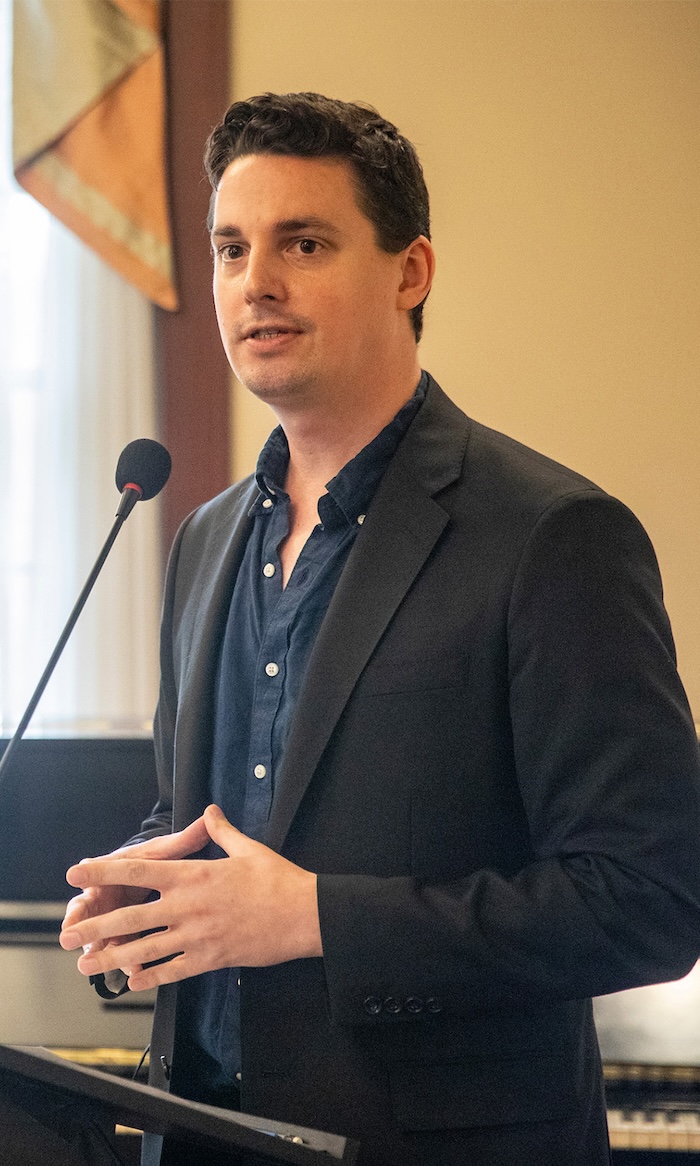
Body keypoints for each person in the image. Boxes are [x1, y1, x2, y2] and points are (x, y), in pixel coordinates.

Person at [60, 93, 700, 1166]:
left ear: (411, 272)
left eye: (301, 242)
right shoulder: (202, 538)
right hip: (199, 1132)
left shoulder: (552, 535)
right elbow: (206, 812)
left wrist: (317, 916)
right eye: (230, 247)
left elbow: (654, 896)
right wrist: (144, 888)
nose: (253, 281)